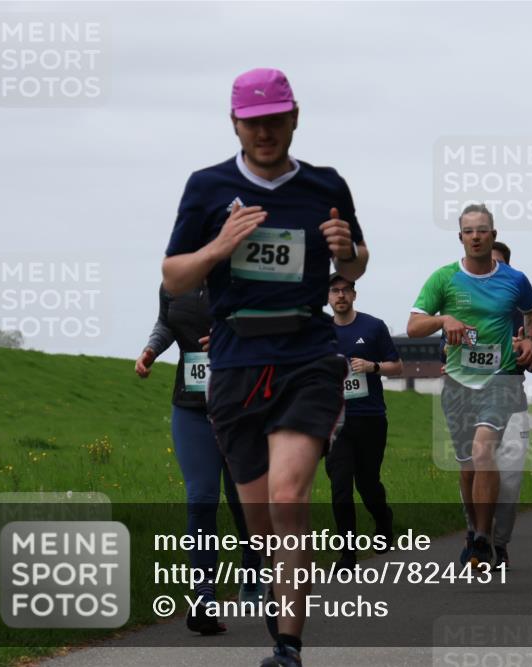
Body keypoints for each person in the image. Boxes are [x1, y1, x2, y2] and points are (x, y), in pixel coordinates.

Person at [161, 67, 368, 667]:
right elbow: (173, 276)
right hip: (234, 360)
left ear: (295, 116)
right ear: (235, 124)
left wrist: (345, 253)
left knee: (287, 498)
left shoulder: (326, 185)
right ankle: (279, 605)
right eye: (253, 122)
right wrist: (220, 247)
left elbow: (354, 264)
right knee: (260, 521)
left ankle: (289, 645)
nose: (266, 131)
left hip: (307, 353)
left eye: (276, 119)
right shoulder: (207, 187)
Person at [408, 204, 532, 565]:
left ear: (493, 235)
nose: (476, 236)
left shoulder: (514, 279)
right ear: (461, 237)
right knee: (467, 466)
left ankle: (484, 538)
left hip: (500, 379)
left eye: (482, 230)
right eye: (469, 231)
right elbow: (413, 327)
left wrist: (530, 339)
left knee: (484, 451)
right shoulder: (444, 278)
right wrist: (443, 319)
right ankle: (474, 529)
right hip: (457, 382)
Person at [135, 285, 260, 635]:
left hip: (243, 406)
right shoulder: (173, 283)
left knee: (243, 500)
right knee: (201, 499)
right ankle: (203, 598)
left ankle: (252, 568)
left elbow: (277, 331)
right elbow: (166, 323)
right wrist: (150, 350)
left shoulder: (245, 275)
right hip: (191, 406)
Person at [457, 241, 532, 570]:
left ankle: (498, 543)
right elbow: (445, 352)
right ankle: (476, 536)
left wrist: (526, 346)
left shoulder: (520, 311)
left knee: (508, 482)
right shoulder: (462, 307)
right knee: (472, 470)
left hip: (512, 401)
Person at [326, 274, 402, 570]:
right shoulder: (319, 332)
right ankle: (347, 554)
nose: (341, 295)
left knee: (368, 483)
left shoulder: (373, 326)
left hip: (370, 418)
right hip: (334, 422)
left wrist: (374, 367)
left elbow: (397, 366)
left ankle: (384, 520)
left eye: (346, 290)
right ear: (328, 297)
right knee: (340, 486)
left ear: (354, 295)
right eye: (335, 291)